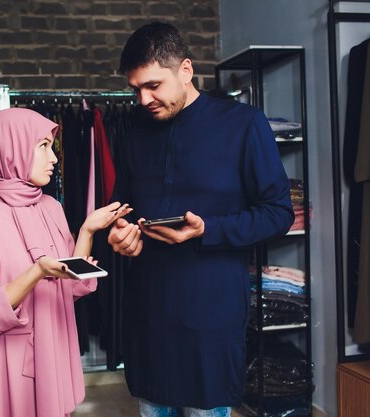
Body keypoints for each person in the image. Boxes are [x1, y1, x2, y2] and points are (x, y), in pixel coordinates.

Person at [108, 22, 295, 417]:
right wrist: (119, 232)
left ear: (186, 70)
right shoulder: (133, 131)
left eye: (154, 85)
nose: (143, 99)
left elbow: (278, 213)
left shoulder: (243, 124)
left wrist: (208, 229)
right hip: (148, 315)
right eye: (136, 89)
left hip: (211, 316)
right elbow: (121, 205)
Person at [0, 107, 131, 417]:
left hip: (48, 355)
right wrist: (36, 272)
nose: (55, 158)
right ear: (11, 149)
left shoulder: (50, 207)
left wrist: (87, 229)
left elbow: (65, 289)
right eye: (43, 147)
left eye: (53, 147)